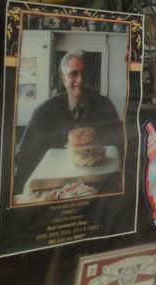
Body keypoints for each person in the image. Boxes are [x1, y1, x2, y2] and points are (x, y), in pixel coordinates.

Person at [13, 49, 122, 196]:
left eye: (84, 73)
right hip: (54, 190)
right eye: (73, 74)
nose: (80, 80)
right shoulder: (44, 112)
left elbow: (120, 149)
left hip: (97, 188)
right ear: (64, 79)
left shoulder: (105, 106)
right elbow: (25, 156)